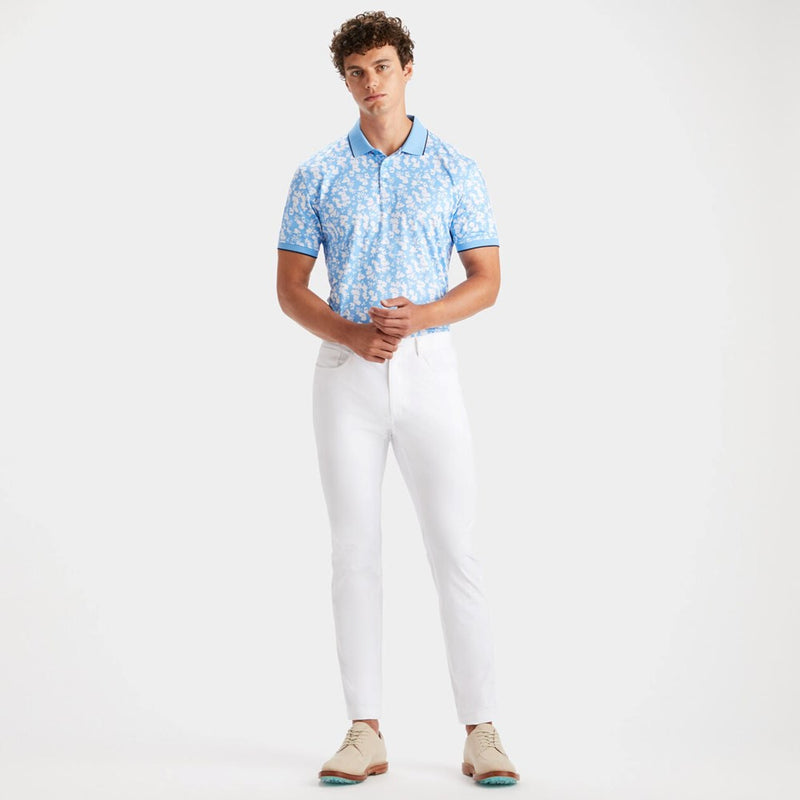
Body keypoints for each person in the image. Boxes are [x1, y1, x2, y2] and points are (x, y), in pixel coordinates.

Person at [276, 10, 519, 787]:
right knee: (354, 552)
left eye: (381, 67)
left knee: (456, 549)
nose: (369, 83)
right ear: (344, 80)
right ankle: (364, 730)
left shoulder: (455, 169)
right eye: (355, 72)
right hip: (345, 377)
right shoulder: (316, 174)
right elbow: (290, 288)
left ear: (407, 68)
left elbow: (487, 280)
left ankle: (482, 730)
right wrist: (352, 333)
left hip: (429, 370)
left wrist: (420, 317)